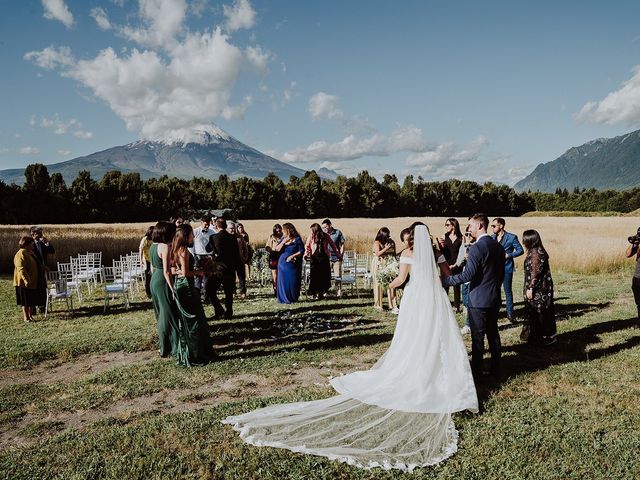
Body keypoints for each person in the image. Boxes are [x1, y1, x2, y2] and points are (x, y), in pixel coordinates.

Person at [223, 225, 478, 470]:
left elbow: (401, 278)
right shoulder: (438, 254)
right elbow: (447, 276)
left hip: (415, 298)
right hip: (435, 299)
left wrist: (389, 284)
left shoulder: (408, 254)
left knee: (413, 338)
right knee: (436, 335)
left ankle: (416, 371)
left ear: (413, 238)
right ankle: (436, 373)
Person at [443, 213, 505, 380]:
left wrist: (446, 279)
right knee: (493, 335)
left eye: (470, 226)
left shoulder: (477, 248)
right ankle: (496, 369)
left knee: (478, 337)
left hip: (478, 299)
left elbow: (467, 276)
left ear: (479, 226)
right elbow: (500, 273)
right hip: (494, 297)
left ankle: (476, 373)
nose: (468, 229)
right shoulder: (498, 246)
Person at [170, 224, 215, 366]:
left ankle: (194, 350)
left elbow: (172, 270)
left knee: (189, 319)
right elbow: (185, 273)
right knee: (194, 319)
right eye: (191, 235)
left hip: (179, 284)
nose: (193, 237)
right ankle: (196, 353)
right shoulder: (183, 251)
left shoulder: (175, 249)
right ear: (185, 236)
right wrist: (198, 272)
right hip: (187, 286)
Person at [521, 230, 557, 345]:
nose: (523, 242)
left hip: (539, 288)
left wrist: (531, 288)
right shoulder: (535, 250)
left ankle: (545, 336)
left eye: (525, 239)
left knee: (540, 312)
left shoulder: (536, 252)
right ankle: (537, 335)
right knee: (537, 311)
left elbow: (535, 272)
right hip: (539, 287)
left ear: (530, 240)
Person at [149, 221, 179, 358]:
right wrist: (173, 289)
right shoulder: (164, 247)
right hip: (162, 280)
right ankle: (171, 347)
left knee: (160, 313)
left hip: (154, 279)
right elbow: (167, 271)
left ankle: (164, 346)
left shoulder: (152, 246)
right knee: (168, 314)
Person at [491, 217, 524, 322]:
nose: (492, 228)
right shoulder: (491, 238)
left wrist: (509, 255)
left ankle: (510, 314)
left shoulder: (512, 237)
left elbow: (520, 250)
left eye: (494, 226)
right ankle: (495, 312)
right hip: (494, 269)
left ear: (501, 226)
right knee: (495, 291)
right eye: (491, 226)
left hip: (507, 268)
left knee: (507, 291)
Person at [211, 218, 242, 319]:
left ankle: (219, 310)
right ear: (225, 226)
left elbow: (210, 250)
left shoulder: (214, 237)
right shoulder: (232, 237)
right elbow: (236, 254)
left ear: (216, 226)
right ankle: (229, 312)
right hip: (230, 267)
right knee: (228, 292)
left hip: (219, 267)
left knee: (211, 291)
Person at [305, 223, 341, 299]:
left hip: (324, 258)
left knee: (323, 276)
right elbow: (307, 246)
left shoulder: (325, 236)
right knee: (314, 276)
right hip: (314, 258)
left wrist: (338, 255)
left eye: (312, 229)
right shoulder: (311, 236)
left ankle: (321, 294)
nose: (311, 231)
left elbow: (333, 246)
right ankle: (314, 294)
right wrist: (306, 254)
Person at [275, 223, 305, 304]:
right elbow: (277, 249)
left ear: (288, 230)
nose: (282, 232)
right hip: (282, 264)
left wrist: (292, 256)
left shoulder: (297, 239)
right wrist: (284, 241)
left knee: (292, 280)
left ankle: (293, 297)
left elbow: (301, 251)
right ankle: (283, 298)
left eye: (284, 230)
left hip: (292, 264)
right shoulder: (283, 239)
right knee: (283, 281)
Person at [371, 227, 398, 312]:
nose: (388, 238)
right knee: (378, 284)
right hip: (378, 264)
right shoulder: (377, 242)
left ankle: (392, 304)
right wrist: (386, 248)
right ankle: (378, 305)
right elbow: (378, 254)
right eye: (386, 236)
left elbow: (394, 252)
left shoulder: (390, 241)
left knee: (391, 283)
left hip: (388, 263)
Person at [438, 218, 463, 312]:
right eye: (445, 225)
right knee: (445, 286)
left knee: (457, 286)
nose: (446, 226)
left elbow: (462, 252)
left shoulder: (461, 237)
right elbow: (442, 253)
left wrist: (457, 264)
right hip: (446, 265)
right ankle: (444, 306)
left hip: (457, 264)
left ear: (454, 225)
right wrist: (442, 246)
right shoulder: (443, 237)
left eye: (448, 225)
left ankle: (457, 306)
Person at [13, 236, 40, 322]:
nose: (33, 245)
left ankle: (30, 315)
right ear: (26, 245)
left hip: (32, 281)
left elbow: (37, 263)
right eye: (31, 244)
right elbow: (21, 268)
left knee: (31, 300)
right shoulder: (20, 254)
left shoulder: (30, 252)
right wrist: (26, 280)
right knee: (26, 301)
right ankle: (26, 317)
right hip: (24, 282)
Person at [455, 228, 475, 335]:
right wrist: (464, 256)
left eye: (470, 234)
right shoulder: (463, 247)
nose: (468, 236)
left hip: (475, 278)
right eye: (466, 234)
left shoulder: (478, 246)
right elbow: (459, 263)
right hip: (465, 277)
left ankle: (468, 325)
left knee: (471, 302)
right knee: (466, 302)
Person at [192, 215, 216, 304]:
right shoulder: (195, 231)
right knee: (198, 278)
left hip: (209, 257)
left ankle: (207, 297)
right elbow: (191, 245)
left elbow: (214, 245)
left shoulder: (212, 232)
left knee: (207, 278)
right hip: (198, 256)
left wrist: (212, 255)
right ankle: (197, 297)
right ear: (201, 223)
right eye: (205, 224)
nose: (207, 226)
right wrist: (194, 255)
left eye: (208, 224)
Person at [30, 226, 54, 313]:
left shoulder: (42, 243)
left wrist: (47, 242)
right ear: (32, 234)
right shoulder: (30, 244)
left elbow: (52, 251)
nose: (41, 235)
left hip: (43, 270)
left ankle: (42, 307)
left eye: (41, 233)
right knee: (34, 289)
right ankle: (32, 309)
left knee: (43, 288)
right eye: (38, 233)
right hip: (34, 270)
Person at [321, 219, 346, 297]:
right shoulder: (322, 234)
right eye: (322, 227)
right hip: (326, 259)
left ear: (330, 225)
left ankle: (338, 291)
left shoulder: (338, 232)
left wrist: (341, 254)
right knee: (325, 275)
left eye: (325, 227)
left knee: (337, 276)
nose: (324, 229)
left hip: (336, 258)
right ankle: (325, 291)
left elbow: (342, 244)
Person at [227, 222, 248, 298]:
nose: (233, 230)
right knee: (231, 277)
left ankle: (243, 292)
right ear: (227, 229)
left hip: (240, 259)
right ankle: (233, 292)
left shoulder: (240, 237)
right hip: (230, 260)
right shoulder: (225, 237)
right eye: (231, 228)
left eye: (234, 228)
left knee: (242, 277)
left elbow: (245, 248)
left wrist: (245, 257)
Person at [626, 227, 640, 326]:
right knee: (638, 302)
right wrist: (634, 243)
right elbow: (627, 254)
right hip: (637, 276)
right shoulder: (638, 243)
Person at [265, 224, 283, 293]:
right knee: (274, 273)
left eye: (280, 231)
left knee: (281, 273)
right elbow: (267, 247)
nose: (278, 233)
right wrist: (272, 250)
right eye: (277, 231)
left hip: (282, 255)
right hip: (274, 256)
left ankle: (281, 288)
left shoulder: (284, 237)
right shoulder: (271, 237)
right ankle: (275, 289)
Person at [139, 226, 154, 298]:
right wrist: (140, 260)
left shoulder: (154, 239)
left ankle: (152, 290)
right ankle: (148, 293)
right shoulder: (145, 239)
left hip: (153, 260)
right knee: (148, 277)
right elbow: (141, 249)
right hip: (147, 260)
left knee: (153, 276)